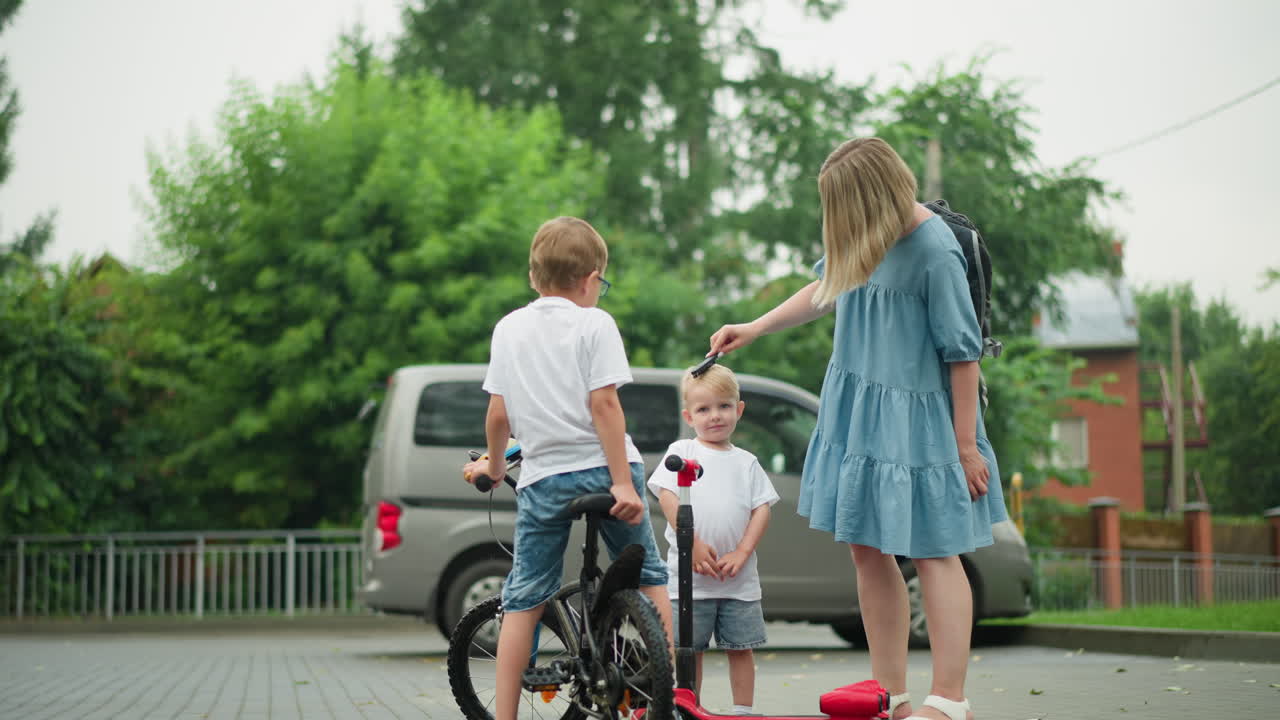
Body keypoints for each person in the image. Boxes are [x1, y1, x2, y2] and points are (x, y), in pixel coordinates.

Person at [707, 137, 1005, 720]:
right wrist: (753, 327)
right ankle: (888, 692)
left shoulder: (934, 251)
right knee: (867, 550)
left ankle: (949, 699)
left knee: (936, 551)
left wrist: (966, 446)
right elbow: (824, 290)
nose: (834, 219)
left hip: (923, 421)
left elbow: (963, 355)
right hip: (858, 411)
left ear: (872, 196)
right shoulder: (864, 237)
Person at [462, 216, 672, 720]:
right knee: (650, 576)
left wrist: (492, 466)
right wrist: (622, 481)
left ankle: (507, 716)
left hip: (546, 481)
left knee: (525, 597)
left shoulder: (509, 327)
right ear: (590, 278)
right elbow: (605, 406)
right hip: (606, 472)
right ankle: (674, 694)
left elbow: (498, 414)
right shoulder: (596, 323)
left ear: (534, 278)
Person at [647, 364, 779, 716]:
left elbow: (761, 509)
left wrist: (742, 551)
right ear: (689, 416)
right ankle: (691, 707)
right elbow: (667, 497)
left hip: (738, 579)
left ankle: (742, 711)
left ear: (739, 409)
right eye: (704, 409)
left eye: (723, 406)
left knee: (741, 647)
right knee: (690, 649)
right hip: (690, 581)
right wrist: (691, 543)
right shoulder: (683, 450)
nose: (715, 416)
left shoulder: (747, 462)